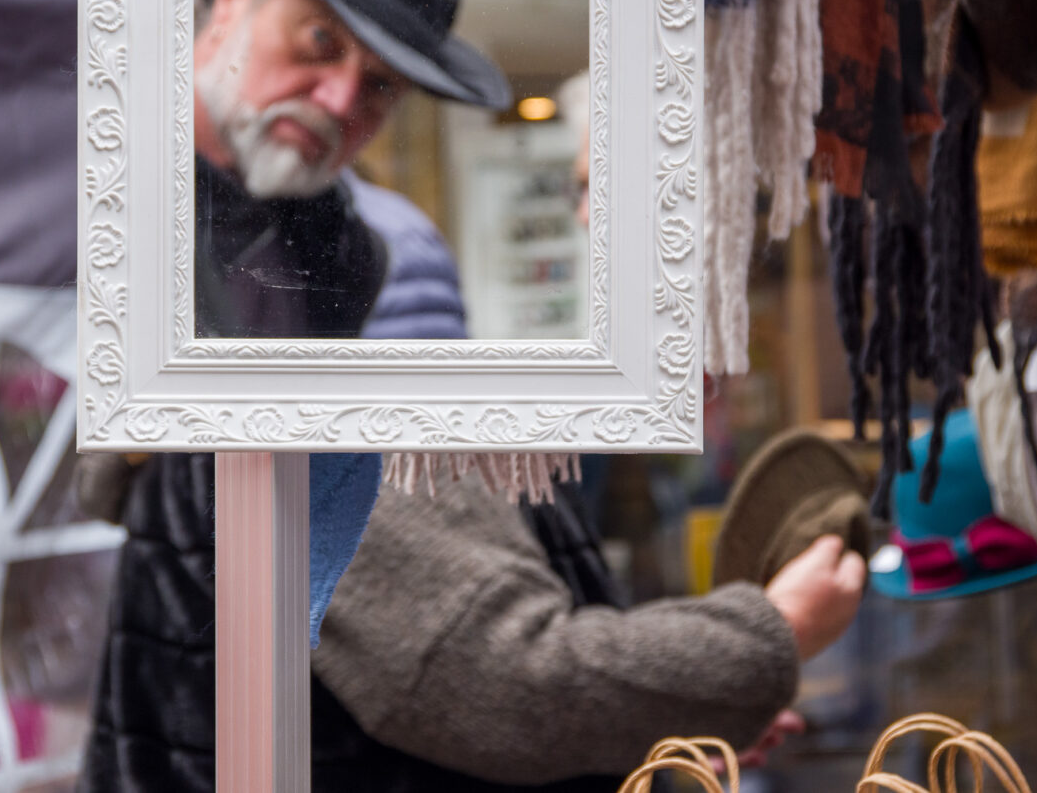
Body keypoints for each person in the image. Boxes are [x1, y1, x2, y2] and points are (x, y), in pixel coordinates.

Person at [306, 70, 865, 793]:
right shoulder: (364, 409)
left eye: (596, 184)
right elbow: (509, 686)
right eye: (585, 186)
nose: (583, 217)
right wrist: (774, 632)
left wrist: (665, 717)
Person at [77, 0, 511, 793]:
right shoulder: (87, 174)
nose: (341, 99)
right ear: (231, 2)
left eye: (381, 84)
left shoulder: (347, 250)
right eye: (318, 43)